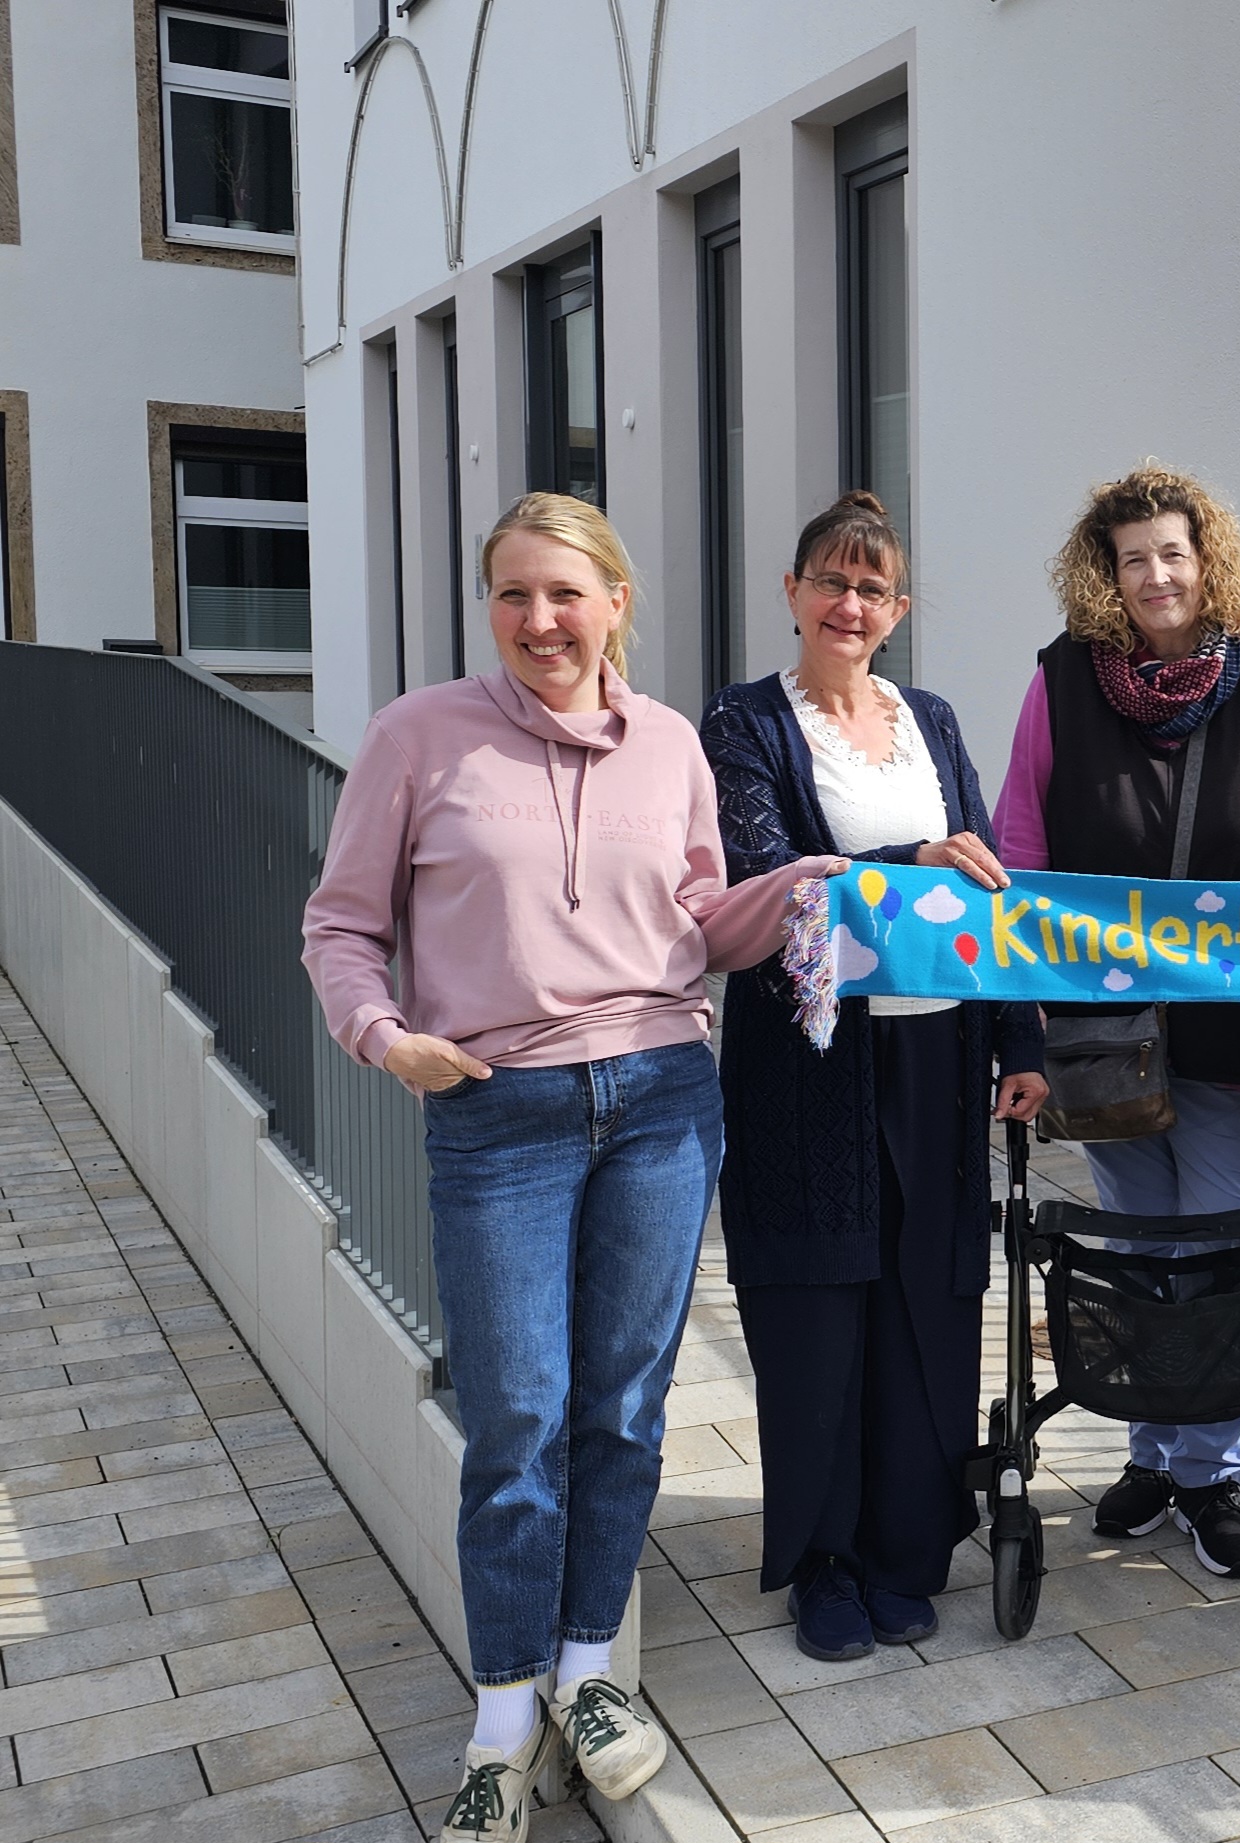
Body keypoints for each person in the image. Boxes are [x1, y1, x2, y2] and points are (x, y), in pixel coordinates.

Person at [303, 493, 848, 1843]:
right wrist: (384, 1035)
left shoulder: (668, 744)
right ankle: (500, 1715)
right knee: (517, 1419)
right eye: (511, 595)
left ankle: (587, 1667)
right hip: (496, 1112)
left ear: (616, 600)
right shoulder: (416, 736)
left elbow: (701, 920)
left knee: (620, 1405)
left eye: (564, 592)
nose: (538, 619)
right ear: (490, 607)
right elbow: (340, 922)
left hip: (662, 1097)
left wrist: (819, 881)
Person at [700, 491, 1046, 1662]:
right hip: (812, 1065)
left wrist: (1021, 1043)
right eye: (830, 583)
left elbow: (988, 887)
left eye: (873, 589)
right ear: (792, 594)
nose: (849, 605)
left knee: (924, 1309)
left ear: (897, 610)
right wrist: (904, 861)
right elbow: (767, 873)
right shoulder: (743, 724)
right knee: (818, 1313)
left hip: (939, 1059)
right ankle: (826, 1560)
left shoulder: (933, 719)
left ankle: (908, 1545)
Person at [992, 464, 1240, 1579]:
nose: (1155, 575)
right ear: (1106, 572)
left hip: (1235, 1037)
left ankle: (1212, 1470)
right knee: (1139, 1257)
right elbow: (1023, 847)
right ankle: (1154, 1452)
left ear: (1207, 559)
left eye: (1173, 553)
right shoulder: (1060, 684)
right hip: (1105, 1037)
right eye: (1132, 557)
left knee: (1226, 1252)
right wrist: (1031, 1019)